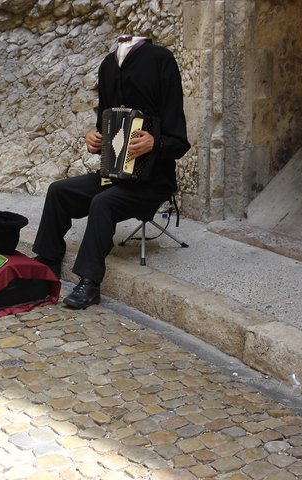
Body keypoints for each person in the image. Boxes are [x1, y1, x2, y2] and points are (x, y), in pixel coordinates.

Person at [33, 35, 190, 309]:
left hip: (154, 182)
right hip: (115, 176)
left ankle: (89, 283)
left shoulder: (161, 60)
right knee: (59, 191)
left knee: (102, 202)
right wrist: (93, 138)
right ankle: (48, 262)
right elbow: (105, 126)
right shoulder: (107, 65)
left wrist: (156, 143)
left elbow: (179, 141)